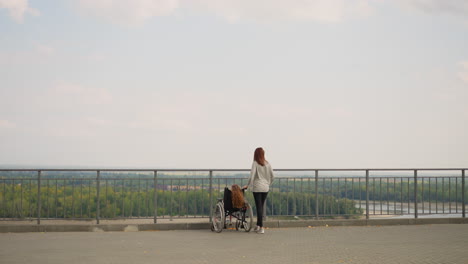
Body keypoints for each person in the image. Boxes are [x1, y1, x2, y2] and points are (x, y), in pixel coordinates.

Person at [243, 147, 274, 234]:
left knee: (259, 207)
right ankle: (257, 226)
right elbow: (273, 176)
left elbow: (252, 176)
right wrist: (268, 184)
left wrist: (248, 185)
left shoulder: (255, 163)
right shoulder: (268, 164)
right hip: (265, 188)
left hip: (257, 187)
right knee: (261, 206)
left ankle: (261, 227)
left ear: (255, 154)